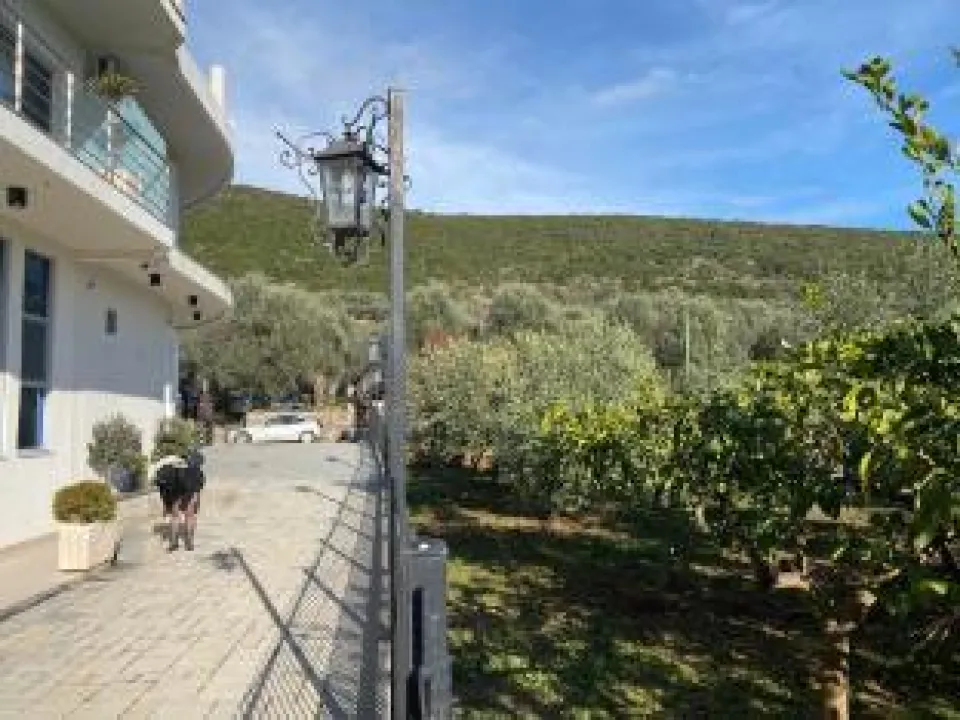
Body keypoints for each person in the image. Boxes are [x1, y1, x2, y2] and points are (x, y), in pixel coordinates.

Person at [153, 448, 206, 552]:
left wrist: (166, 503)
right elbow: (199, 486)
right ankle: (189, 542)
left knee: (175, 517)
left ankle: (174, 543)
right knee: (189, 516)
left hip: (175, 492)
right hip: (188, 491)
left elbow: (165, 485)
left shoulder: (173, 466)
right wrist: (196, 499)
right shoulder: (195, 469)